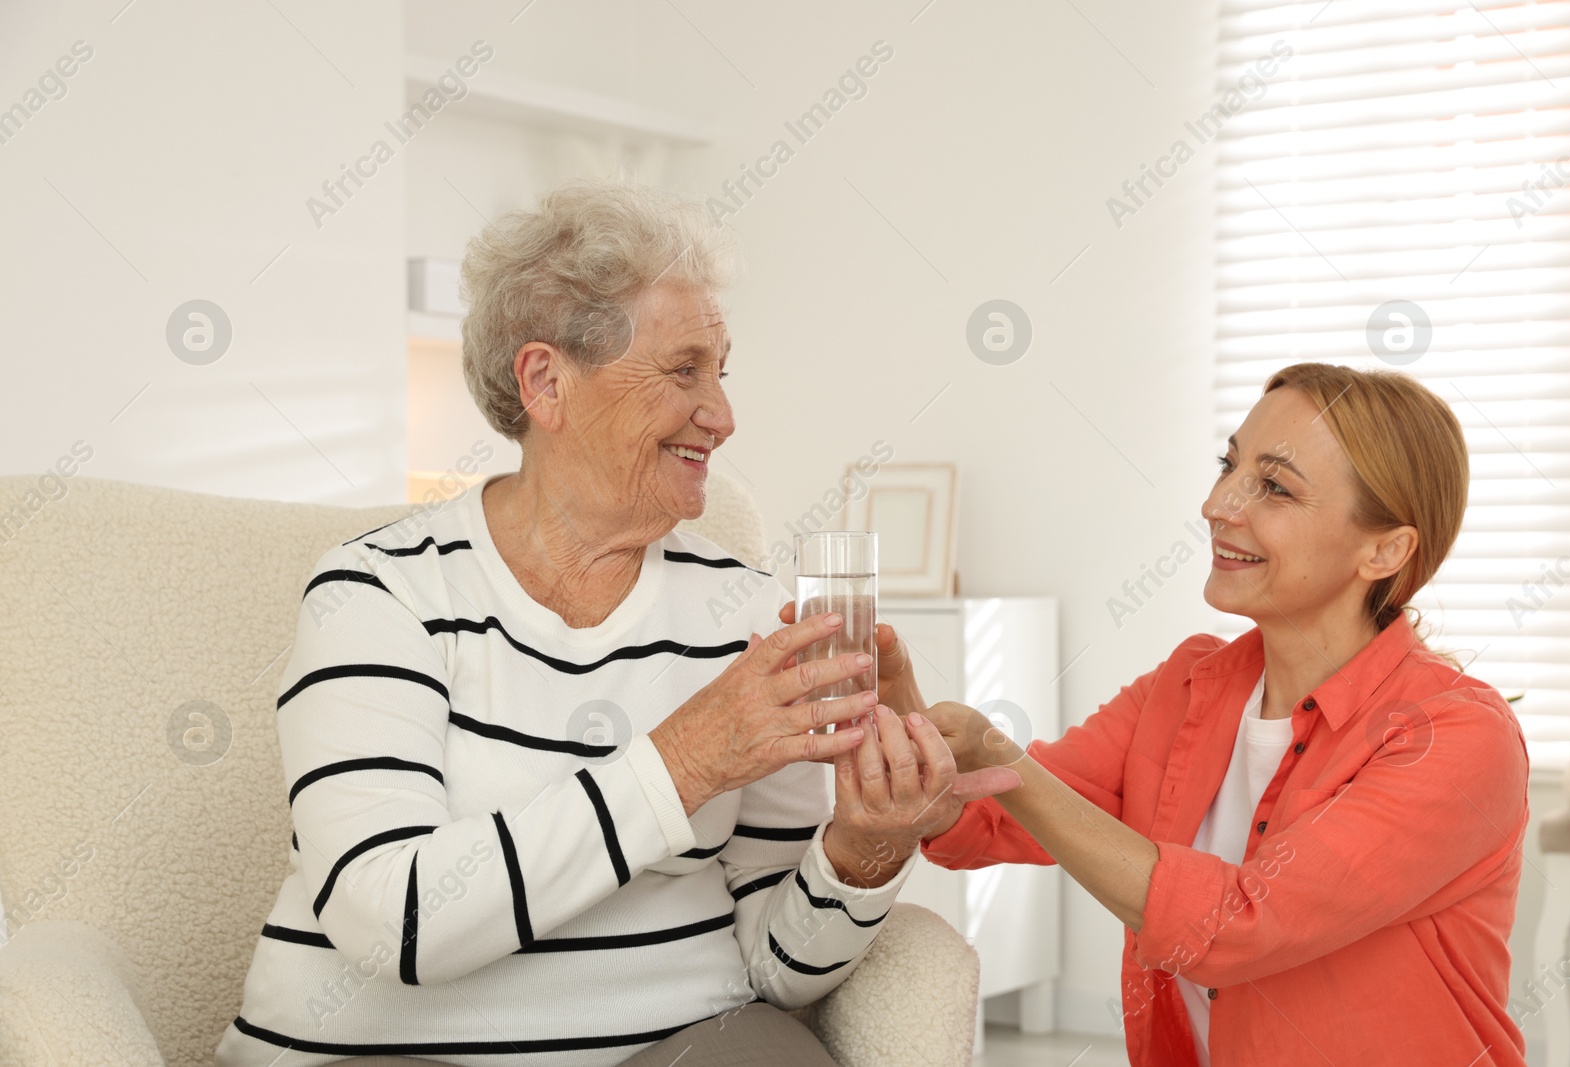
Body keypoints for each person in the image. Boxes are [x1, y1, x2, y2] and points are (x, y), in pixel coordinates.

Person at [216, 180, 1009, 1067]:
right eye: (684, 369)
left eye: (722, 368)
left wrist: (865, 846)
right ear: (547, 382)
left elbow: (773, 969)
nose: (724, 413)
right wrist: (688, 757)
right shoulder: (379, 594)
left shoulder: (744, 612)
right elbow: (392, 920)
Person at [843, 363, 1530, 1066]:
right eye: (1229, 465)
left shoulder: (1454, 737)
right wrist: (905, 720)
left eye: (1274, 486)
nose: (1218, 503)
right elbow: (987, 816)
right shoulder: (1189, 685)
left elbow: (1237, 927)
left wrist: (1001, 754)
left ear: (1385, 549)